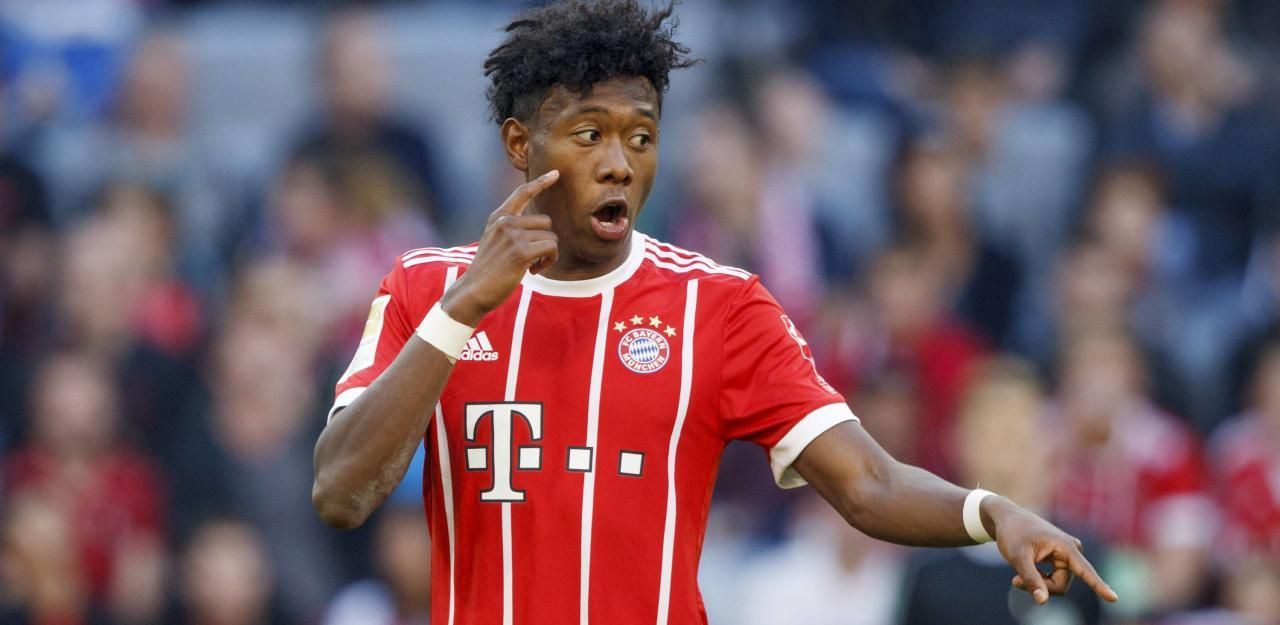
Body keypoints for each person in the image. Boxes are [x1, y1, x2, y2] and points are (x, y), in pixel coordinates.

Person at [311, 2, 1118, 624]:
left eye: (641, 137)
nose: (619, 164)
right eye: (589, 135)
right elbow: (341, 492)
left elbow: (867, 481)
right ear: (522, 145)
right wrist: (460, 313)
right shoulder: (427, 288)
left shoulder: (720, 305)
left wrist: (990, 511)